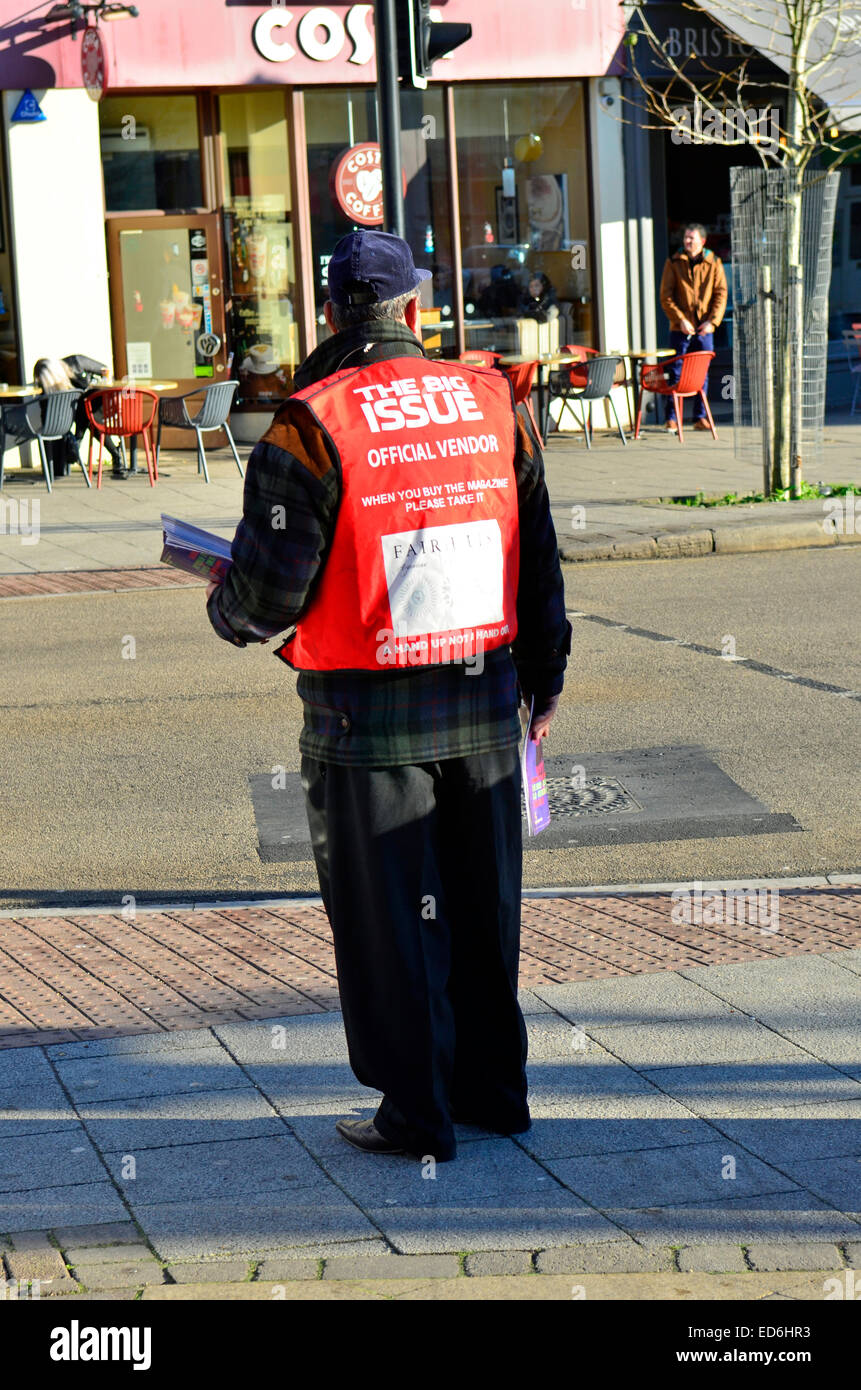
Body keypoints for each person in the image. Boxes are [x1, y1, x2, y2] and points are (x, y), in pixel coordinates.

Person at [205, 229, 571, 1163]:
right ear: (413, 307)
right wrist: (544, 676)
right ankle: (496, 1094)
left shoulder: (306, 423)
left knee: (392, 927)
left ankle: (416, 1115)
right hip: (484, 702)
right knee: (483, 910)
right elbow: (537, 555)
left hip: (363, 723)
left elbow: (269, 594)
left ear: (332, 312)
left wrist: (227, 607)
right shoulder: (493, 403)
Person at [659, 223, 727, 432]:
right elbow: (666, 296)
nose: (687, 242)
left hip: (704, 328)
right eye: (686, 238)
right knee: (676, 373)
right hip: (680, 328)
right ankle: (672, 418)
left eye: (692, 238)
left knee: (701, 374)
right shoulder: (673, 261)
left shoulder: (713, 262)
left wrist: (712, 322)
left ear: (702, 241)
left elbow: (721, 293)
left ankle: (700, 417)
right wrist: (680, 320)